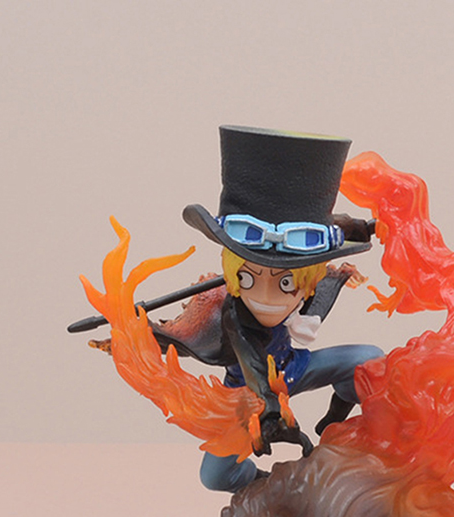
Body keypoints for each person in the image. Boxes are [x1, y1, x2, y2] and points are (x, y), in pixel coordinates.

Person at [154, 125, 383, 493]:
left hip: (295, 369)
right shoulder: (235, 317)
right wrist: (270, 411)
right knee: (214, 476)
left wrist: (366, 227)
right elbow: (254, 367)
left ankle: (334, 421)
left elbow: (338, 226)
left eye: (285, 283)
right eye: (248, 278)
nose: (265, 296)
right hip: (248, 395)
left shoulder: (312, 279)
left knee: (370, 361)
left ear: (309, 278)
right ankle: (265, 487)